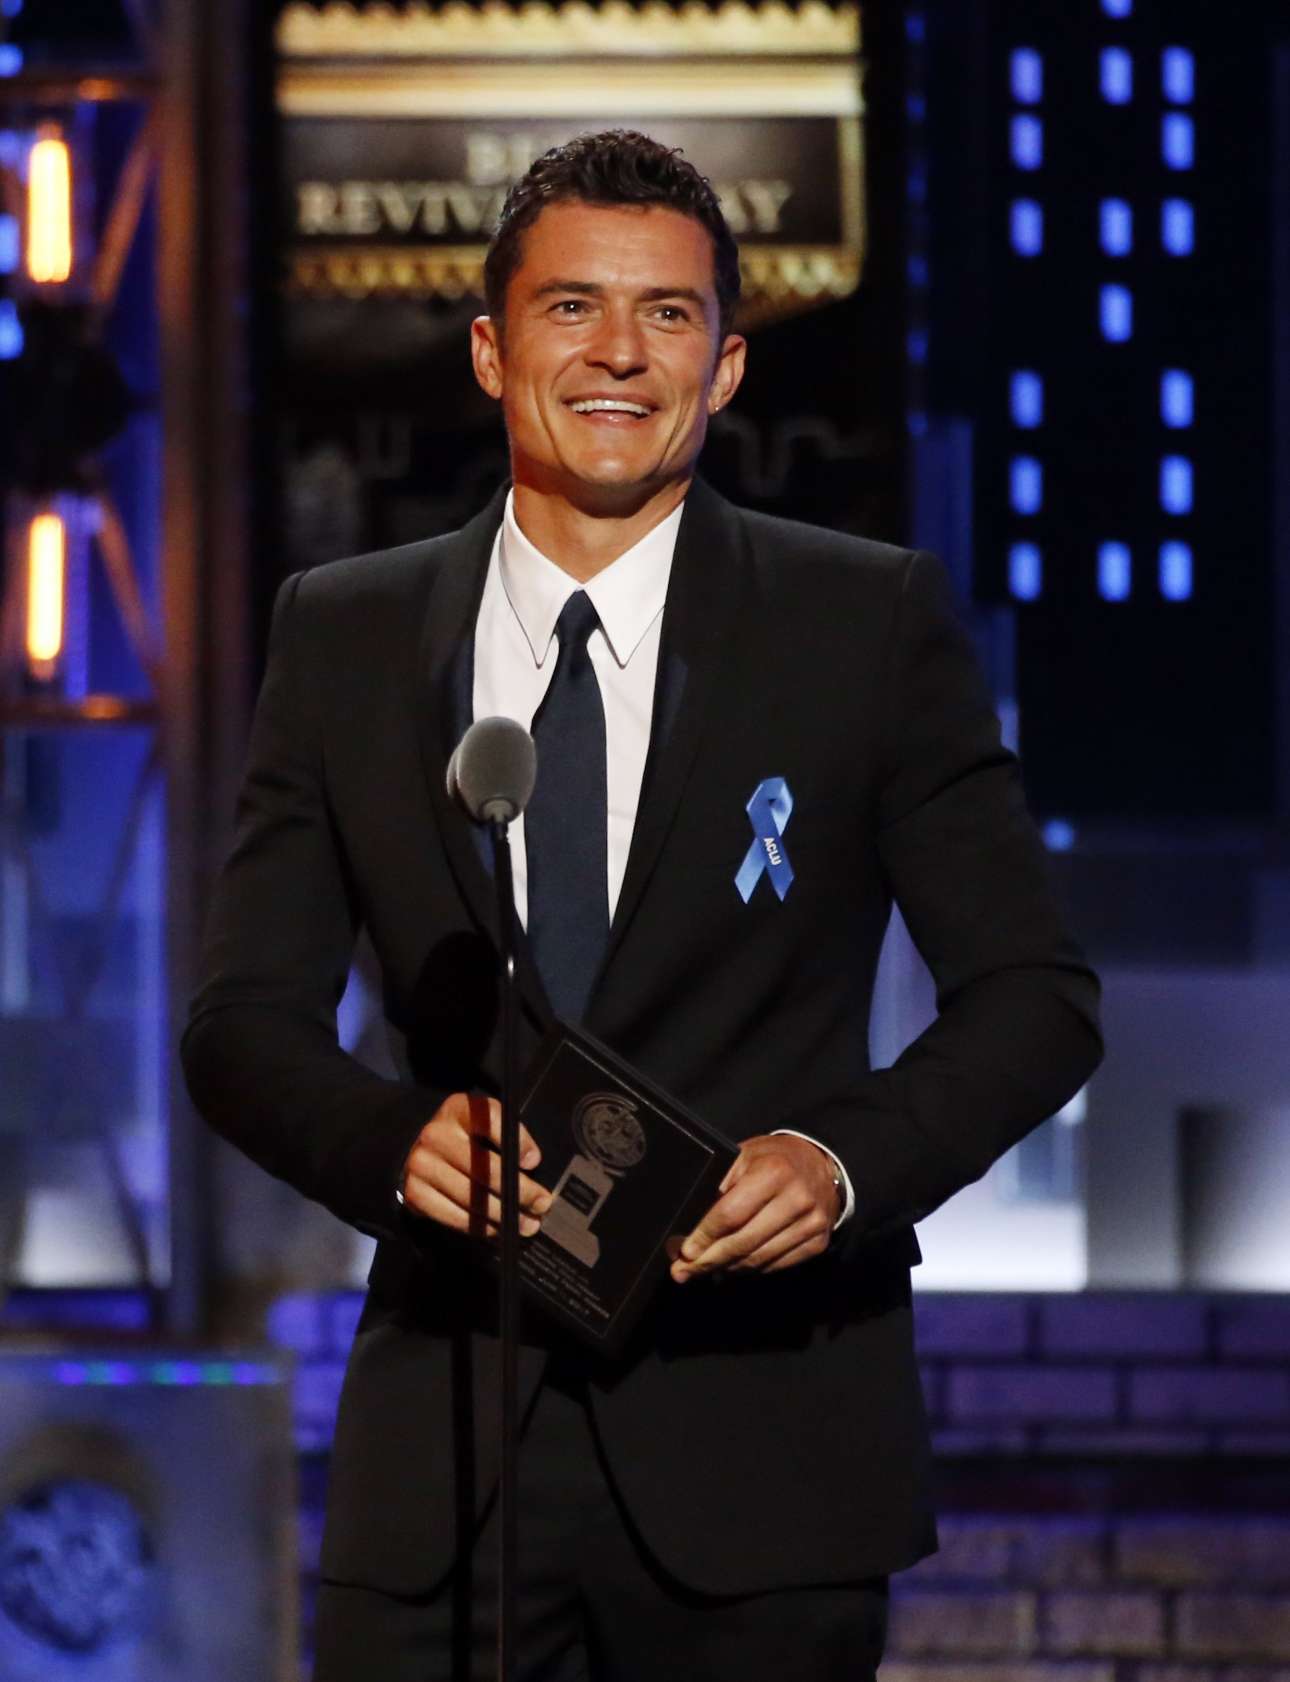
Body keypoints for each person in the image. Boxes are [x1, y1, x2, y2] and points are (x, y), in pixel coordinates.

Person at [182, 130, 1102, 1681]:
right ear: (491, 350)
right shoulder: (345, 635)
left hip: (768, 1448)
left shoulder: (862, 622)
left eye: (666, 313)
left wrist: (840, 1163)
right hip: (454, 1447)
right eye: (572, 307)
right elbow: (240, 1025)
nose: (618, 350)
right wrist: (387, 1140)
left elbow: (1034, 996)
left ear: (724, 365)